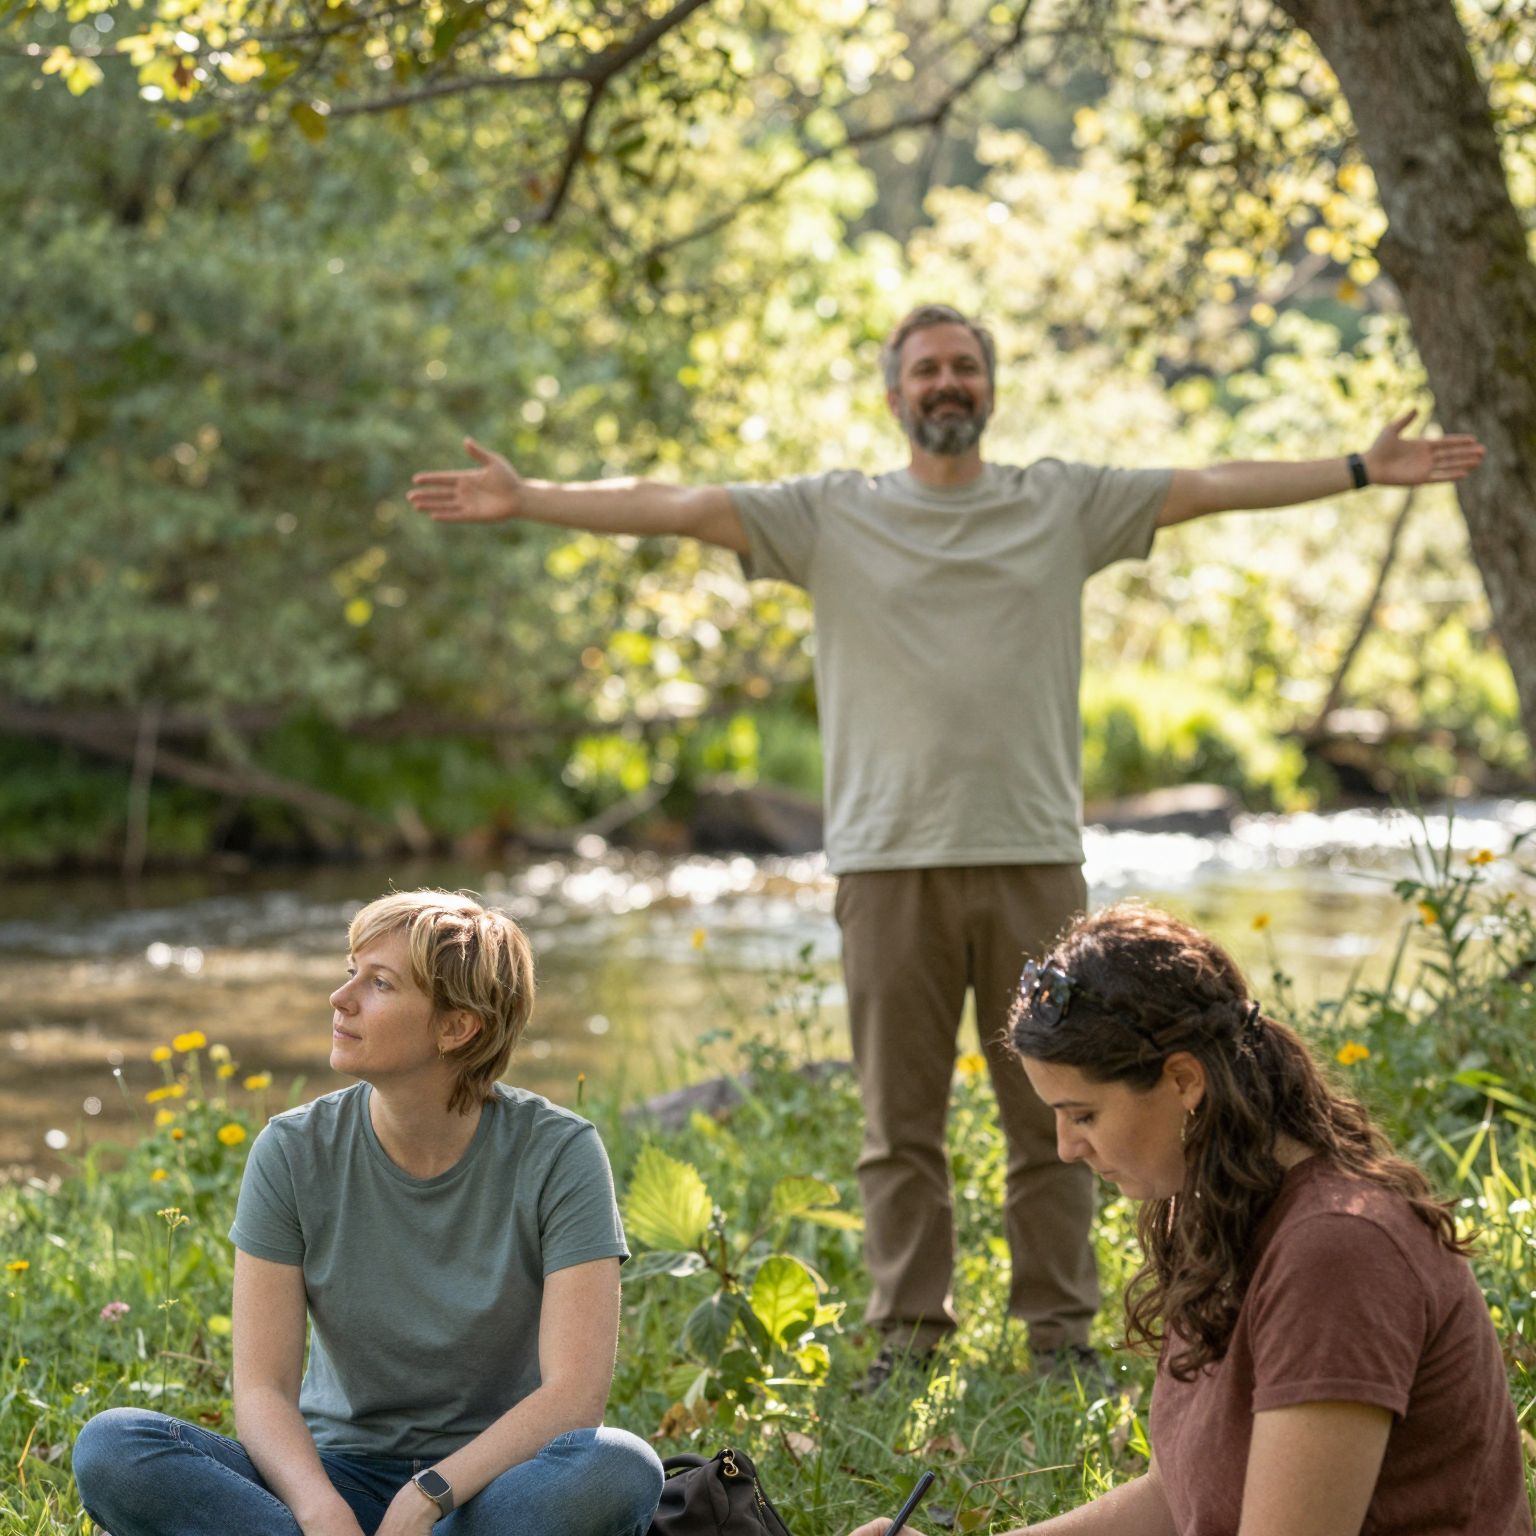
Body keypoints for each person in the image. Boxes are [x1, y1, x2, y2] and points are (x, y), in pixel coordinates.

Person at [407, 306, 1485, 1389]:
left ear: (990, 387)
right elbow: (680, 507)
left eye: (965, 365)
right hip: (886, 866)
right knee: (899, 1124)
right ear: (895, 393)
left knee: (1060, 1116)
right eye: (926, 368)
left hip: (1032, 858)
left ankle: (1061, 1337)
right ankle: (909, 1338)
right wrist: (528, 497)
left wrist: (1358, 467)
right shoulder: (830, 515)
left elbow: (1208, 482)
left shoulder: (1061, 501)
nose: (946, 382)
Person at [797, 903, 1536, 1536]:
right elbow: (1185, 1495)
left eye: (1083, 1114)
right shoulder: (1223, 1209)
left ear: (1183, 1081)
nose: (1068, 1149)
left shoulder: (1340, 1250)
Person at [72, 888, 664, 1536]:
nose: (339, 997)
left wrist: (424, 1502)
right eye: (351, 971)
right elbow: (260, 1389)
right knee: (114, 1448)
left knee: (619, 1472)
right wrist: (324, 1521)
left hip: (491, 1487)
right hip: (330, 1475)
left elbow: (574, 1397)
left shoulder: (561, 1154)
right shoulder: (291, 1152)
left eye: (378, 983)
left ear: (457, 1027)